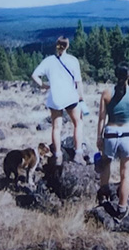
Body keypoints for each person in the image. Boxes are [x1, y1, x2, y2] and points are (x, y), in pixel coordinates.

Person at [31, 36, 90, 165]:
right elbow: (78, 82)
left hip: (55, 98)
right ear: (67, 46)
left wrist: (44, 85)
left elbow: (34, 75)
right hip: (70, 97)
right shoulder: (73, 60)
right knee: (78, 123)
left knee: (56, 127)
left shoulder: (49, 61)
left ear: (56, 45)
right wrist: (81, 97)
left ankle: (58, 155)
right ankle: (78, 153)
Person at [96, 64, 129, 219]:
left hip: (111, 134)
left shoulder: (106, 93)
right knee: (126, 175)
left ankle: (103, 197)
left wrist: (99, 137)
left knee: (105, 167)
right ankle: (122, 208)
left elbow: (102, 118)